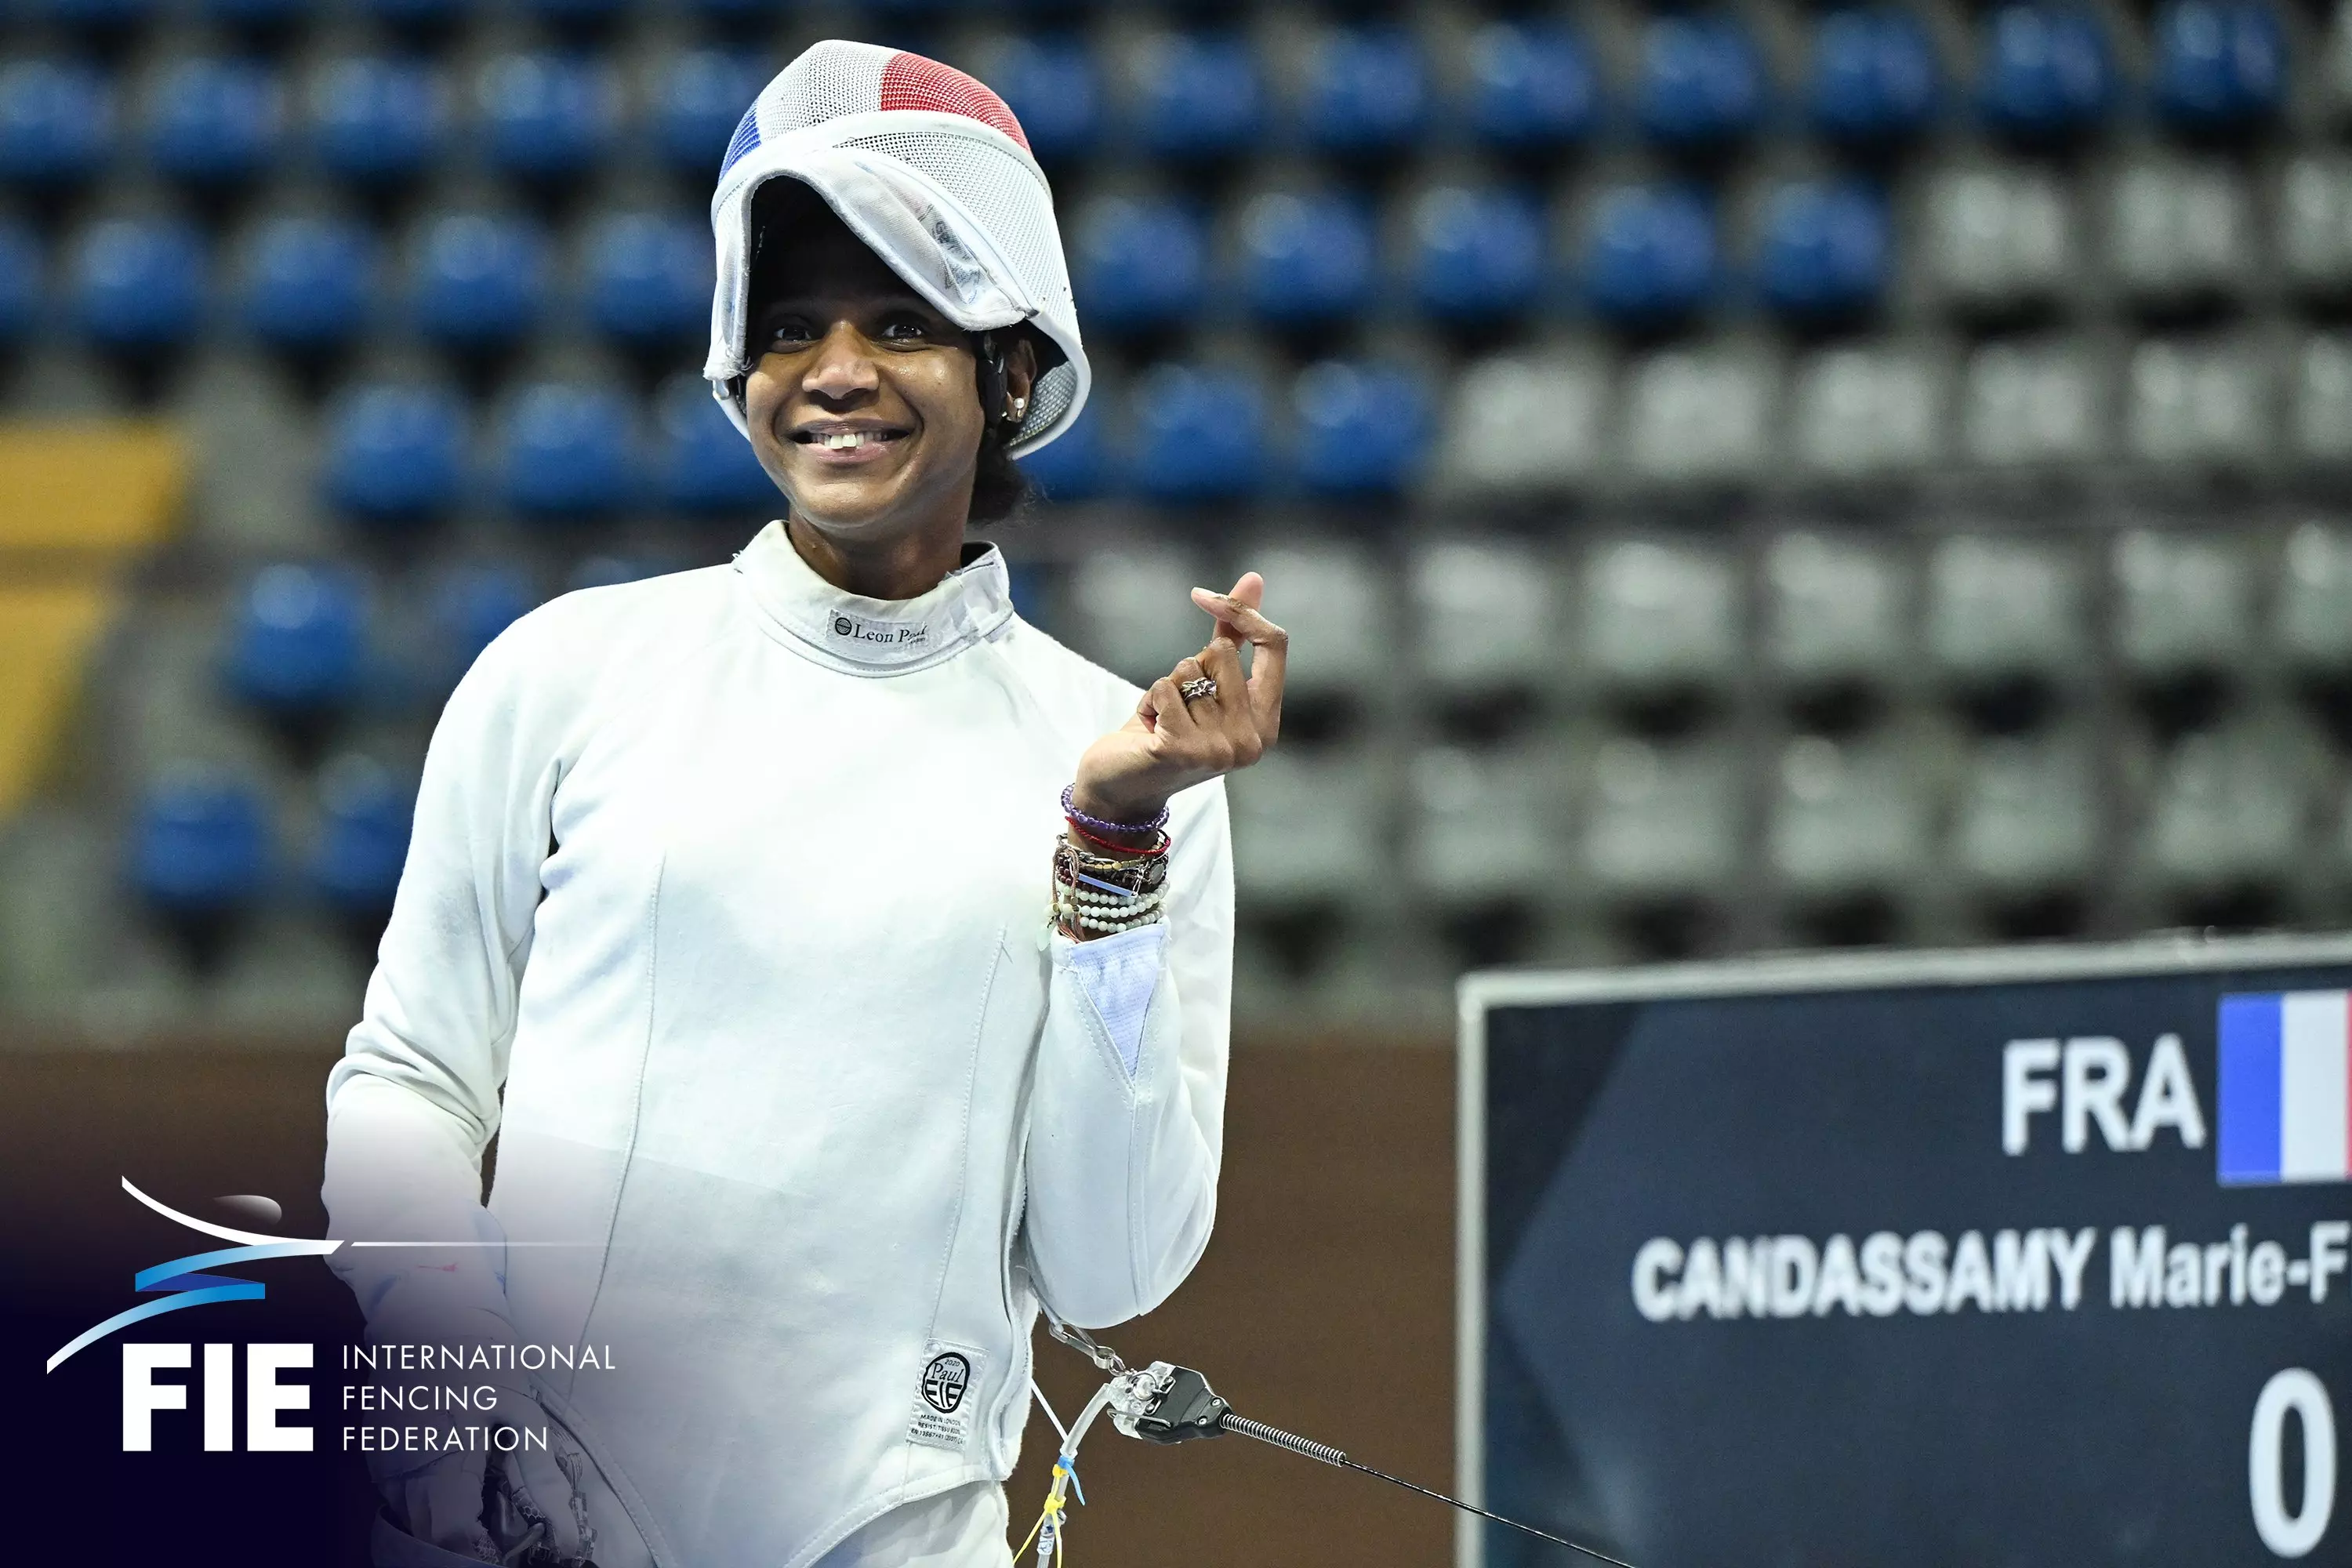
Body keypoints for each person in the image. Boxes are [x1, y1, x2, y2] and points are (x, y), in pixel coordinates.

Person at [321, 40, 1289, 1568]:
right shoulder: (568, 672)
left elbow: (1111, 1268)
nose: (836, 369)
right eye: (789, 328)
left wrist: (1112, 846)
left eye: (901, 321)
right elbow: (409, 1082)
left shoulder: (1116, 760)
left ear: (1012, 369)